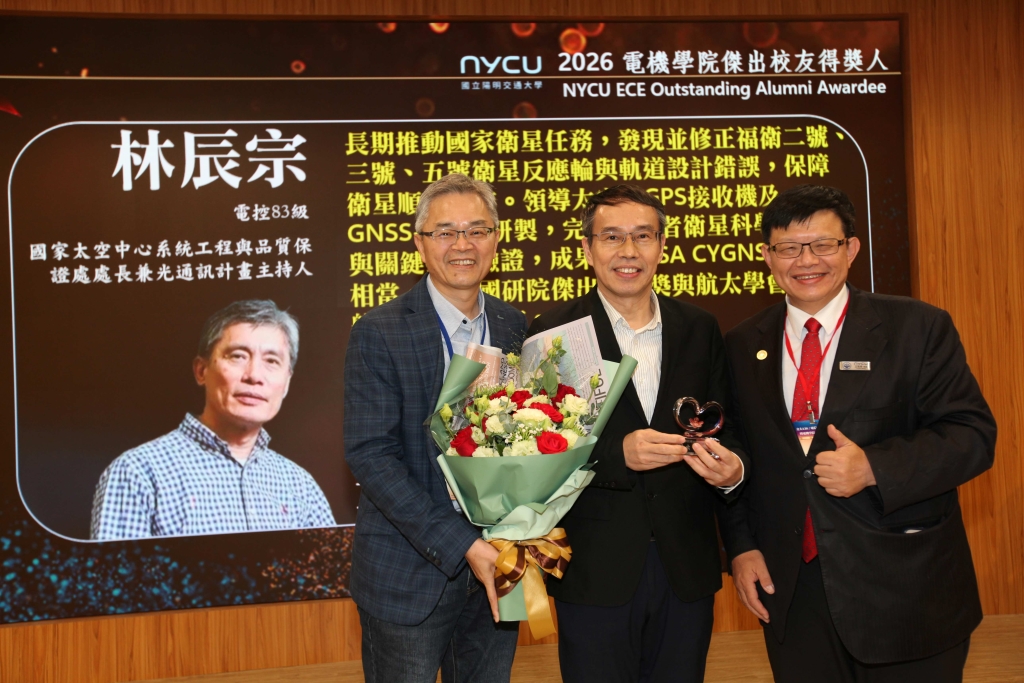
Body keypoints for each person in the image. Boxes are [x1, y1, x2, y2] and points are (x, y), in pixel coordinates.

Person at [720, 184, 996, 682]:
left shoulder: (917, 327)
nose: (807, 260)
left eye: (823, 244)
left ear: (851, 248)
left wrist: (874, 468)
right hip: (792, 591)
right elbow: (737, 456)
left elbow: (972, 436)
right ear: (767, 256)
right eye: (789, 247)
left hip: (904, 588)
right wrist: (741, 548)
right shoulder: (742, 344)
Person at [527, 185, 748, 683]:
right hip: (595, 567)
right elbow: (538, 451)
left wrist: (732, 468)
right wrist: (616, 453)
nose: (628, 251)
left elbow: (727, 426)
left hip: (685, 565)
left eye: (643, 236)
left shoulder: (699, 327)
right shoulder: (554, 331)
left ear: (661, 246)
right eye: (612, 237)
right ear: (587, 249)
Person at [344, 173, 527, 683]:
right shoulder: (379, 331)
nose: (463, 245)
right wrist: (464, 544)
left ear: (496, 239)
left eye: (477, 230)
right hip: (409, 573)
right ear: (420, 243)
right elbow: (371, 455)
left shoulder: (515, 326)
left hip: (501, 562)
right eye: (445, 232)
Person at [91, 299, 335, 540]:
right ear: (201, 371)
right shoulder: (138, 473)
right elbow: (114, 569)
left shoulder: (301, 487)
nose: (254, 376)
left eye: (272, 361)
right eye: (238, 356)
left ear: (287, 383)